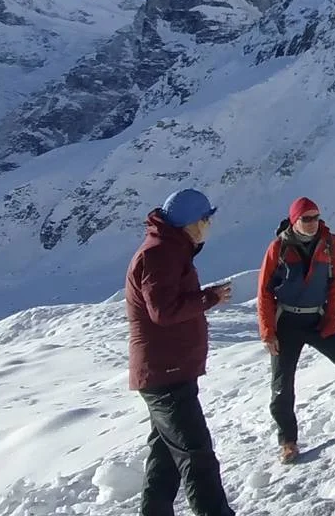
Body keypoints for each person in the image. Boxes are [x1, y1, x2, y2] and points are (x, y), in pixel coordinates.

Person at [126, 188, 235, 516]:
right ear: (192, 222)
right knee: (196, 454)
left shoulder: (169, 249)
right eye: (206, 219)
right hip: (166, 373)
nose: (209, 225)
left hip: (168, 371)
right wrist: (208, 298)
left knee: (166, 457)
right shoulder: (161, 253)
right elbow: (163, 311)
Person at [257, 196, 335, 463]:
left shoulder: (331, 244)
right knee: (282, 383)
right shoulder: (278, 247)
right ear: (294, 220)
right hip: (286, 321)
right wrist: (268, 332)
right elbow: (264, 291)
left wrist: (331, 321)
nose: (312, 223)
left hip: (317, 319)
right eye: (306, 218)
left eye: (316, 217)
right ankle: (288, 441)